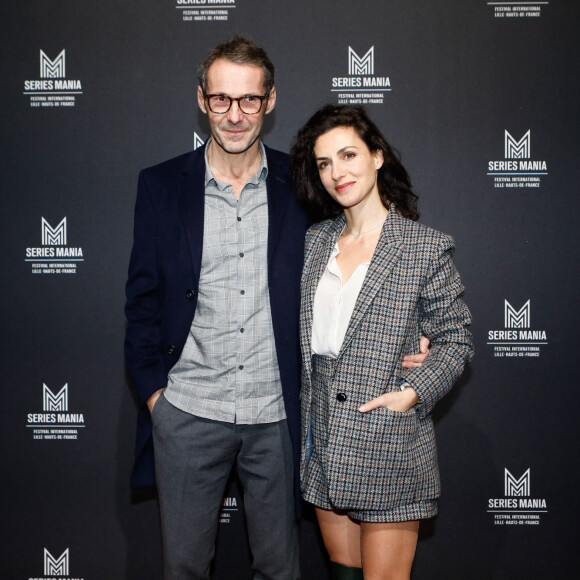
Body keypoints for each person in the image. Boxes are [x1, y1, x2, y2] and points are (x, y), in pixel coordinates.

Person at [125, 36, 429, 579]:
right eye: (221, 99)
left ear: (269, 101)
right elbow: (141, 300)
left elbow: (365, 246)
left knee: (280, 570)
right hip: (189, 410)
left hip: (280, 416)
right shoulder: (161, 186)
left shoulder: (304, 182)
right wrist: (156, 398)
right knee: (184, 568)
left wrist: (419, 329)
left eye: (248, 100)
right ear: (202, 100)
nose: (234, 115)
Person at [290, 105, 473, 580]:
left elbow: (456, 340)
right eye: (324, 163)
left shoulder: (422, 246)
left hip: (386, 438)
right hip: (324, 438)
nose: (337, 172)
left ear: (376, 156)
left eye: (348, 155)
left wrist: (412, 393)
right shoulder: (315, 241)